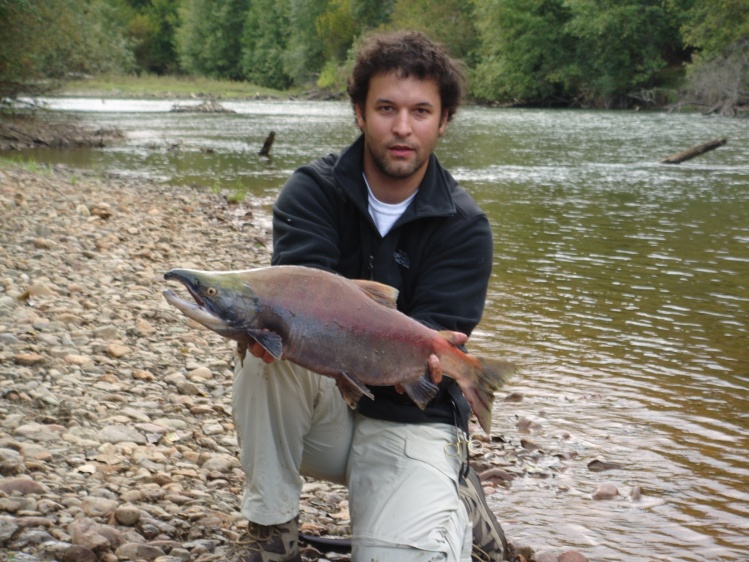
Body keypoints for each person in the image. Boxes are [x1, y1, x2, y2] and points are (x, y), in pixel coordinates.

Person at [231, 30, 508, 562]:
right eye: (386, 108)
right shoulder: (312, 192)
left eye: (421, 111)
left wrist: (448, 367)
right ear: (359, 112)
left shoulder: (466, 227)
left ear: (443, 120)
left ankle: (451, 485)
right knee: (264, 346)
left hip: (411, 418)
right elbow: (297, 298)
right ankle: (272, 535)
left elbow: (429, 349)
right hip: (325, 412)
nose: (403, 127)